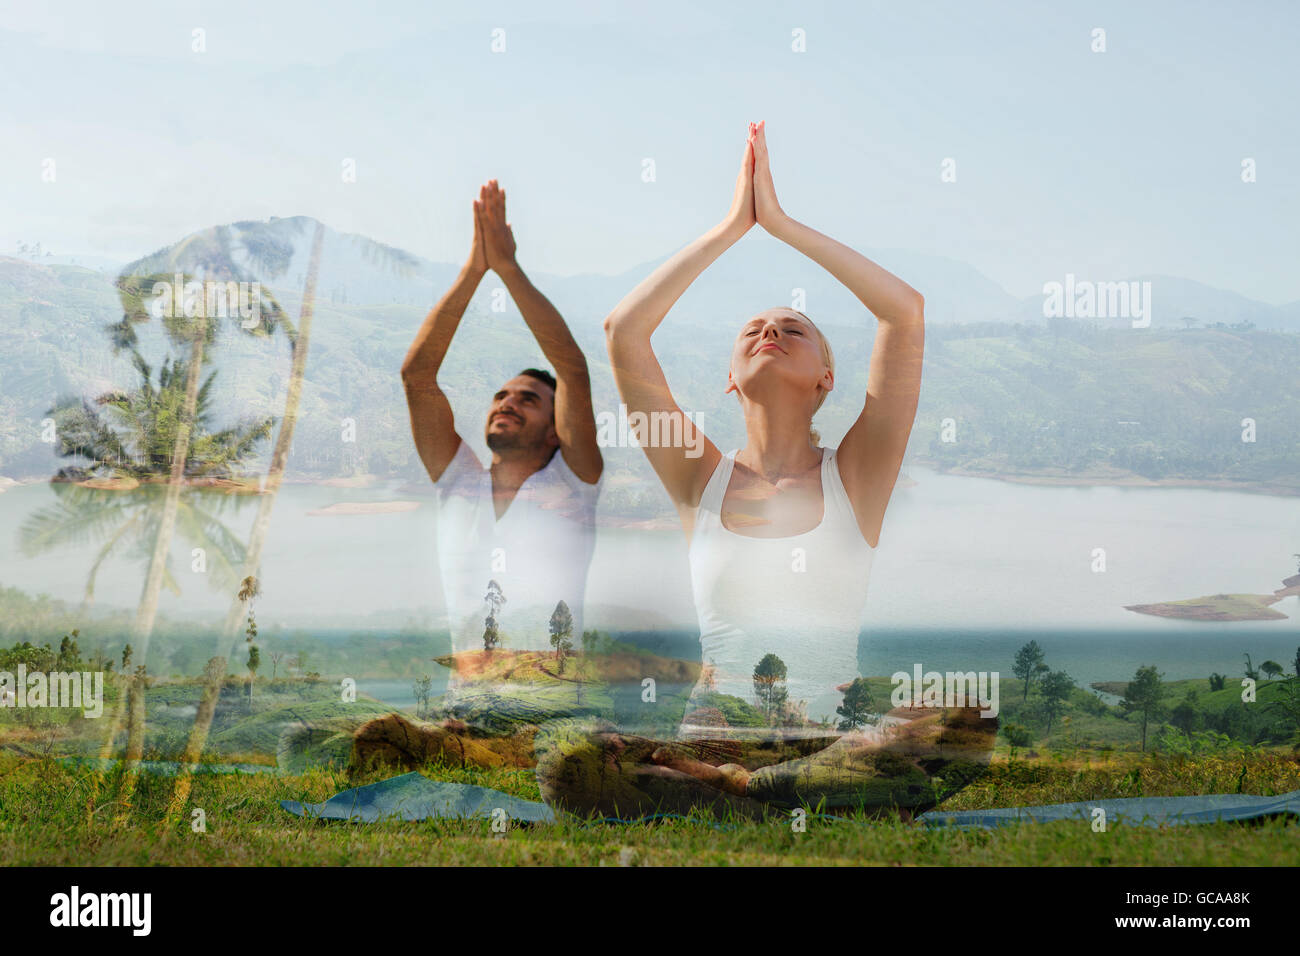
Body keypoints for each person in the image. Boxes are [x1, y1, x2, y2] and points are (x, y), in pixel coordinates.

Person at [534, 121, 993, 820]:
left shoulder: (856, 477)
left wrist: (780, 223)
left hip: (827, 745)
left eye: (793, 329)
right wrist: (730, 227)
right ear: (730, 378)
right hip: (717, 738)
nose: (770, 332)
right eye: (752, 330)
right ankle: (759, 793)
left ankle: (741, 797)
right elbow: (624, 331)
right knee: (569, 754)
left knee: (965, 714)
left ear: (827, 379)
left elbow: (904, 313)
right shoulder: (699, 478)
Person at [349, 182, 603, 772]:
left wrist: (507, 269)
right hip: (468, 708)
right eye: (501, 395)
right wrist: (473, 269)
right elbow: (417, 376)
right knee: (350, 741)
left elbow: (572, 368)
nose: (507, 402)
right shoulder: (458, 481)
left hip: (553, 709)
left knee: (568, 771)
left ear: (557, 429)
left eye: (529, 399)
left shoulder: (574, 483)